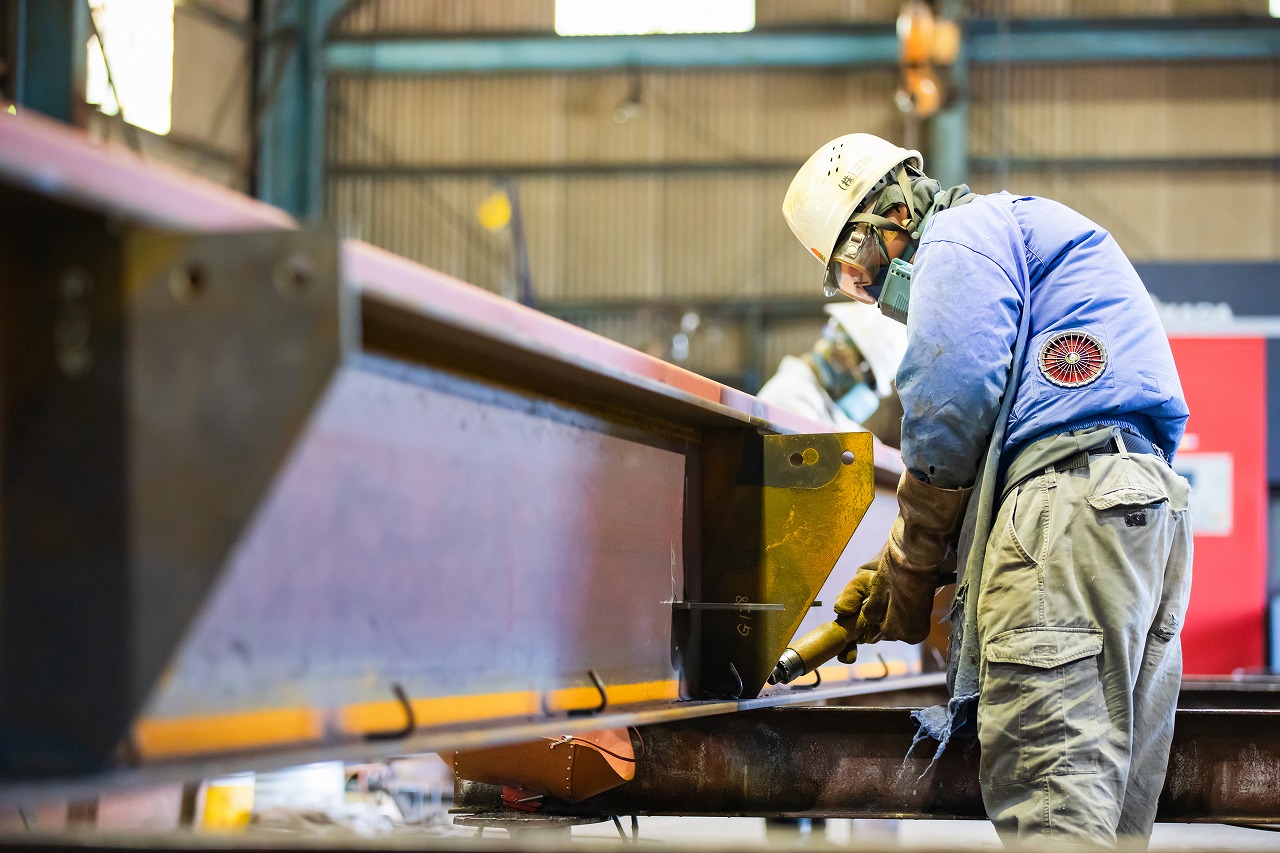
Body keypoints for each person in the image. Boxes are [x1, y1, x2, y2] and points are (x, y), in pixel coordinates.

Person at [781, 133, 1192, 848]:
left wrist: (910, 566)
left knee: (1053, 796)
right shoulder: (1023, 232)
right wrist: (893, 569)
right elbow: (991, 449)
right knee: (1104, 808)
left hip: (1068, 505)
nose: (869, 294)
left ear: (893, 214)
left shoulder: (958, 237)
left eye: (856, 269)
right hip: (1139, 510)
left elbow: (949, 405)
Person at [756, 301, 907, 445]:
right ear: (843, 355)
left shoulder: (825, 405)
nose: (867, 395)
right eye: (870, 381)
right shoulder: (791, 396)